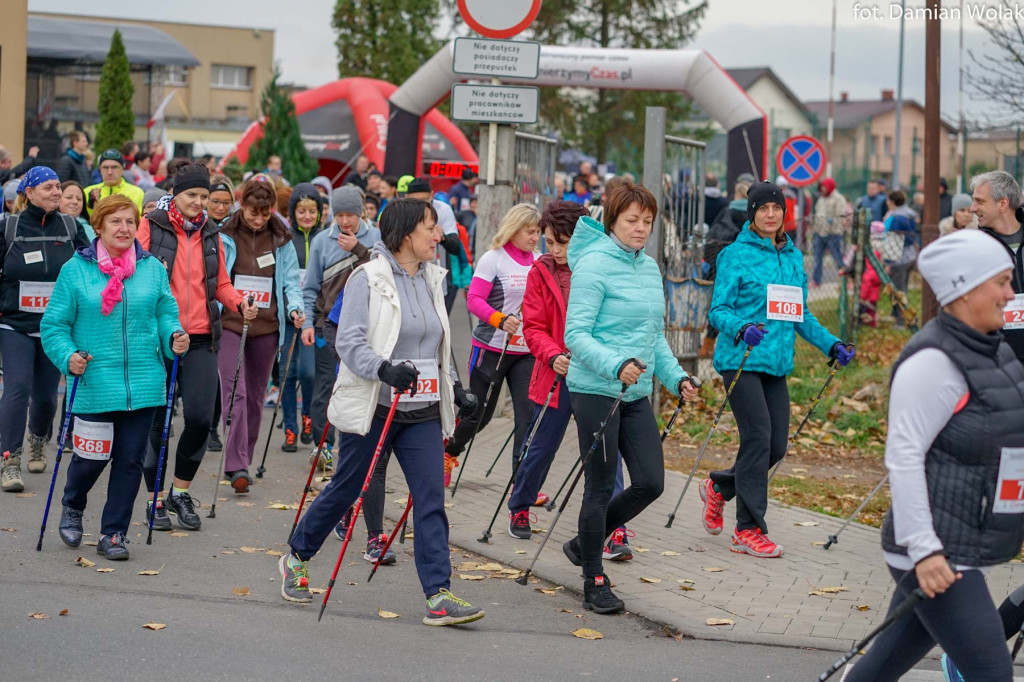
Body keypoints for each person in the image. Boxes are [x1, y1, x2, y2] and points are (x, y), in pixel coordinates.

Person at [281, 198, 485, 627]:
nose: (438, 235)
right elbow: (349, 343)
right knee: (346, 487)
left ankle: (438, 594)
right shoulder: (367, 278)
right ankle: (298, 555)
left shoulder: (433, 278)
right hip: (375, 406)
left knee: (430, 498)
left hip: (422, 411)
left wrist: (454, 387)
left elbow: (435, 344)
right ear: (407, 232)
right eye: (431, 227)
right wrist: (385, 369)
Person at [845, 230, 1024, 682]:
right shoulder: (932, 362)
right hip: (937, 551)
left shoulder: (992, 349)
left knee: (882, 666)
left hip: (958, 540)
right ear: (965, 287)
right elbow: (903, 459)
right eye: (1002, 282)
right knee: (991, 673)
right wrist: (926, 554)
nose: (1010, 293)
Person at [559, 181, 699, 614]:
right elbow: (575, 335)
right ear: (613, 221)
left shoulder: (649, 266)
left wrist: (677, 379)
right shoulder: (594, 265)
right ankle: (594, 580)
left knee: (651, 482)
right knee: (599, 489)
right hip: (596, 388)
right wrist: (615, 364)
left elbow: (653, 336)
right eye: (632, 221)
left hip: (635, 391)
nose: (641, 229)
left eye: (648, 222)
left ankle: (585, 543)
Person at [700, 181, 852, 559]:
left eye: (776, 208)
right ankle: (748, 529)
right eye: (762, 208)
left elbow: (802, 315)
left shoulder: (794, 258)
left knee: (776, 445)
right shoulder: (735, 255)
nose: (770, 214)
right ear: (751, 213)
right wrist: (740, 328)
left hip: (777, 364)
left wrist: (831, 344)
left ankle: (720, 487)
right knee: (758, 437)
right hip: (741, 360)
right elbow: (717, 310)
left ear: (785, 213)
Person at [40, 194, 187, 560]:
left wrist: (173, 337)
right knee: (91, 459)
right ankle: (73, 505)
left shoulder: (152, 268)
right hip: (93, 382)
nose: (123, 229)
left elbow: (166, 313)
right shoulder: (76, 270)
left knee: (130, 461)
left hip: (144, 384)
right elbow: (54, 325)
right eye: (115, 222)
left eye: (129, 222)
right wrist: (68, 356)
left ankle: (114, 533)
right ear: (99, 226)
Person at [136, 165, 257, 529]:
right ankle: (154, 500)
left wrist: (239, 302)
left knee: (202, 419)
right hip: (160, 339)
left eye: (204, 197)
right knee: (158, 423)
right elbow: (135, 274)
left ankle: (180, 492)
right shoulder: (152, 227)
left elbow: (220, 284)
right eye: (193, 195)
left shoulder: (211, 233)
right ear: (176, 194)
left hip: (202, 337)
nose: (199, 202)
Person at [0, 167, 90, 492]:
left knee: (46, 398)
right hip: (14, 324)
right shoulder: (8, 227)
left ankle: (38, 438)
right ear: (29, 192)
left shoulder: (70, 227)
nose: (56, 192)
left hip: (55, 329)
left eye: (58, 187)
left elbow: (90, 264)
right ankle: (9, 460)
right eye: (49, 187)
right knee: (17, 389)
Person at [442, 204, 540, 486]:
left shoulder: (540, 260)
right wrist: (499, 319)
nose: (535, 238)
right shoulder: (493, 259)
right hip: (492, 347)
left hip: (526, 352)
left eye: (537, 232)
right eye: (529, 232)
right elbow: (473, 300)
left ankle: (521, 487)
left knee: (526, 417)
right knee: (477, 414)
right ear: (514, 229)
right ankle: (448, 453)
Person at [219, 180, 304, 492]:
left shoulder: (280, 238)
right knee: (236, 394)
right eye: (253, 213)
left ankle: (243, 458)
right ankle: (236, 464)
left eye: (264, 214)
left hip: (267, 328)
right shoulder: (225, 235)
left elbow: (291, 281)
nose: (258, 220)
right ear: (242, 206)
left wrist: (295, 308)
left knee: (255, 397)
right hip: (230, 324)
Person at [278, 183, 324, 452]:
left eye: (312, 211)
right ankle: (290, 428)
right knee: (288, 373)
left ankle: (308, 415)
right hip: (287, 316)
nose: (307, 216)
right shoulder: (284, 238)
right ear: (292, 212)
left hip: (313, 319)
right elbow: (281, 279)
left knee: (308, 373)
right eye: (301, 211)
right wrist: (289, 308)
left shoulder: (324, 239)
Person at [974, 171, 1024, 363]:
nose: (972, 208)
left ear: (1002, 204)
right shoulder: (976, 246)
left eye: (980, 201)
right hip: (996, 357)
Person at [405, 177, 463, 312]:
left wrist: (443, 237)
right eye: (415, 201)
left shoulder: (443, 210)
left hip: (438, 280)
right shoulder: (402, 212)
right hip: (408, 279)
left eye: (425, 200)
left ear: (432, 195)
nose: (421, 206)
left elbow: (455, 247)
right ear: (407, 197)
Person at [883, 189, 919, 323]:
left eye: (888, 200)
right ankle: (899, 316)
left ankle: (901, 320)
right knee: (903, 289)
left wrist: (888, 262)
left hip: (899, 260)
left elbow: (894, 242)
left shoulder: (897, 218)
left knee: (899, 291)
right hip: (910, 256)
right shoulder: (910, 215)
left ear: (892, 202)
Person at [809, 177, 848, 288]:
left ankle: (845, 280)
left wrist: (832, 226)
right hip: (819, 232)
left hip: (833, 233)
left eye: (824, 186)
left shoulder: (838, 198)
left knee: (837, 257)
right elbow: (817, 213)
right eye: (821, 187)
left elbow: (840, 216)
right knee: (817, 258)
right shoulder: (821, 199)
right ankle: (816, 280)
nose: (822, 189)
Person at [84, 149, 144, 218]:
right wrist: (91, 207)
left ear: (122, 169)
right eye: (105, 167)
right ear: (100, 170)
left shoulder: (138, 193)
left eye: (114, 167)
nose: (110, 172)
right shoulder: (87, 192)